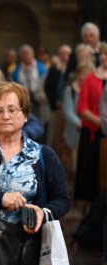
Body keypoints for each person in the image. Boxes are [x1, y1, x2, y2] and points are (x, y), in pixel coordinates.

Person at [0, 81, 70, 265]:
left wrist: (42, 213)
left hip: (29, 250)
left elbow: (62, 199)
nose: (5, 116)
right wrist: (1, 198)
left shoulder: (43, 155)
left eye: (13, 110)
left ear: (25, 114)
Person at [74, 41, 107, 215]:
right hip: (93, 132)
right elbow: (82, 107)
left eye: (106, 54)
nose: (103, 57)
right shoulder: (90, 78)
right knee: (90, 172)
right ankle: (89, 214)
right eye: (101, 54)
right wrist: (101, 122)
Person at [63, 60, 94, 187]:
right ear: (77, 74)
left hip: (92, 128)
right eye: (83, 73)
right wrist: (81, 123)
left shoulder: (93, 89)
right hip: (76, 130)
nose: (85, 76)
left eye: (88, 73)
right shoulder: (70, 90)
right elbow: (68, 112)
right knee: (78, 165)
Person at [43, 44, 72, 149]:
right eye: (62, 54)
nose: (64, 56)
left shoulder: (73, 69)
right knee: (53, 134)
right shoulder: (53, 69)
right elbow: (47, 87)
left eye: (67, 54)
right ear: (58, 55)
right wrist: (55, 101)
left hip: (70, 107)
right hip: (56, 107)